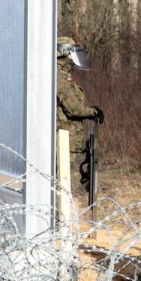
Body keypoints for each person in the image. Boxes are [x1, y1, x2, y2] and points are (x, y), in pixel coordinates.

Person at [55, 37, 102, 195]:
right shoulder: (59, 78)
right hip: (64, 140)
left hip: (68, 140)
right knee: (64, 184)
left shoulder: (60, 75)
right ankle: (60, 218)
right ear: (65, 53)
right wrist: (93, 111)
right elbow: (74, 109)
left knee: (63, 183)